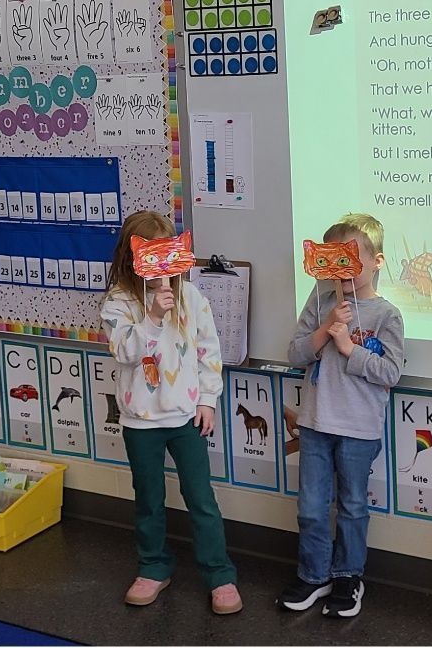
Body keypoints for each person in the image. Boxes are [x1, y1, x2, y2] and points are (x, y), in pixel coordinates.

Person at [101, 210, 242, 614]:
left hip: (185, 418)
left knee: (201, 498)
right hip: (140, 422)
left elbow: (208, 353)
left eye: (168, 255)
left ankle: (219, 574)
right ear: (132, 258)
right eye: (151, 256)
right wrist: (153, 316)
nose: (162, 267)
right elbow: (125, 351)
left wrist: (207, 401)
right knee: (148, 498)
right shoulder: (117, 303)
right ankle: (153, 566)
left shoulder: (193, 298)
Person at [276, 213, 404, 618]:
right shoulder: (319, 302)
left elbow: (391, 373)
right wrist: (326, 328)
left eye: (351, 258)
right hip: (315, 424)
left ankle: (348, 576)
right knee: (311, 507)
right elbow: (295, 354)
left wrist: (349, 348)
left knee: (352, 507)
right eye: (334, 258)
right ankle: (314, 575)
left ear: (376, 261)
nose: (343, 269)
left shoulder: (387, 315)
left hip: (358, 429)